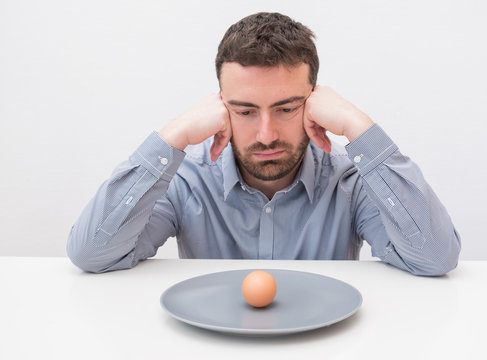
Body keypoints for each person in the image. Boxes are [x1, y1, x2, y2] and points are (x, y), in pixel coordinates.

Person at [67, 12, 461, 275]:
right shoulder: (186, 180)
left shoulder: (349, 181)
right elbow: (92, 254)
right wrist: (176, 134)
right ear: (220, 105)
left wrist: (358, 126)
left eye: (287, 108)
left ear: (314, 101)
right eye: (245, 111)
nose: (267, 134)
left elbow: (434, 258)